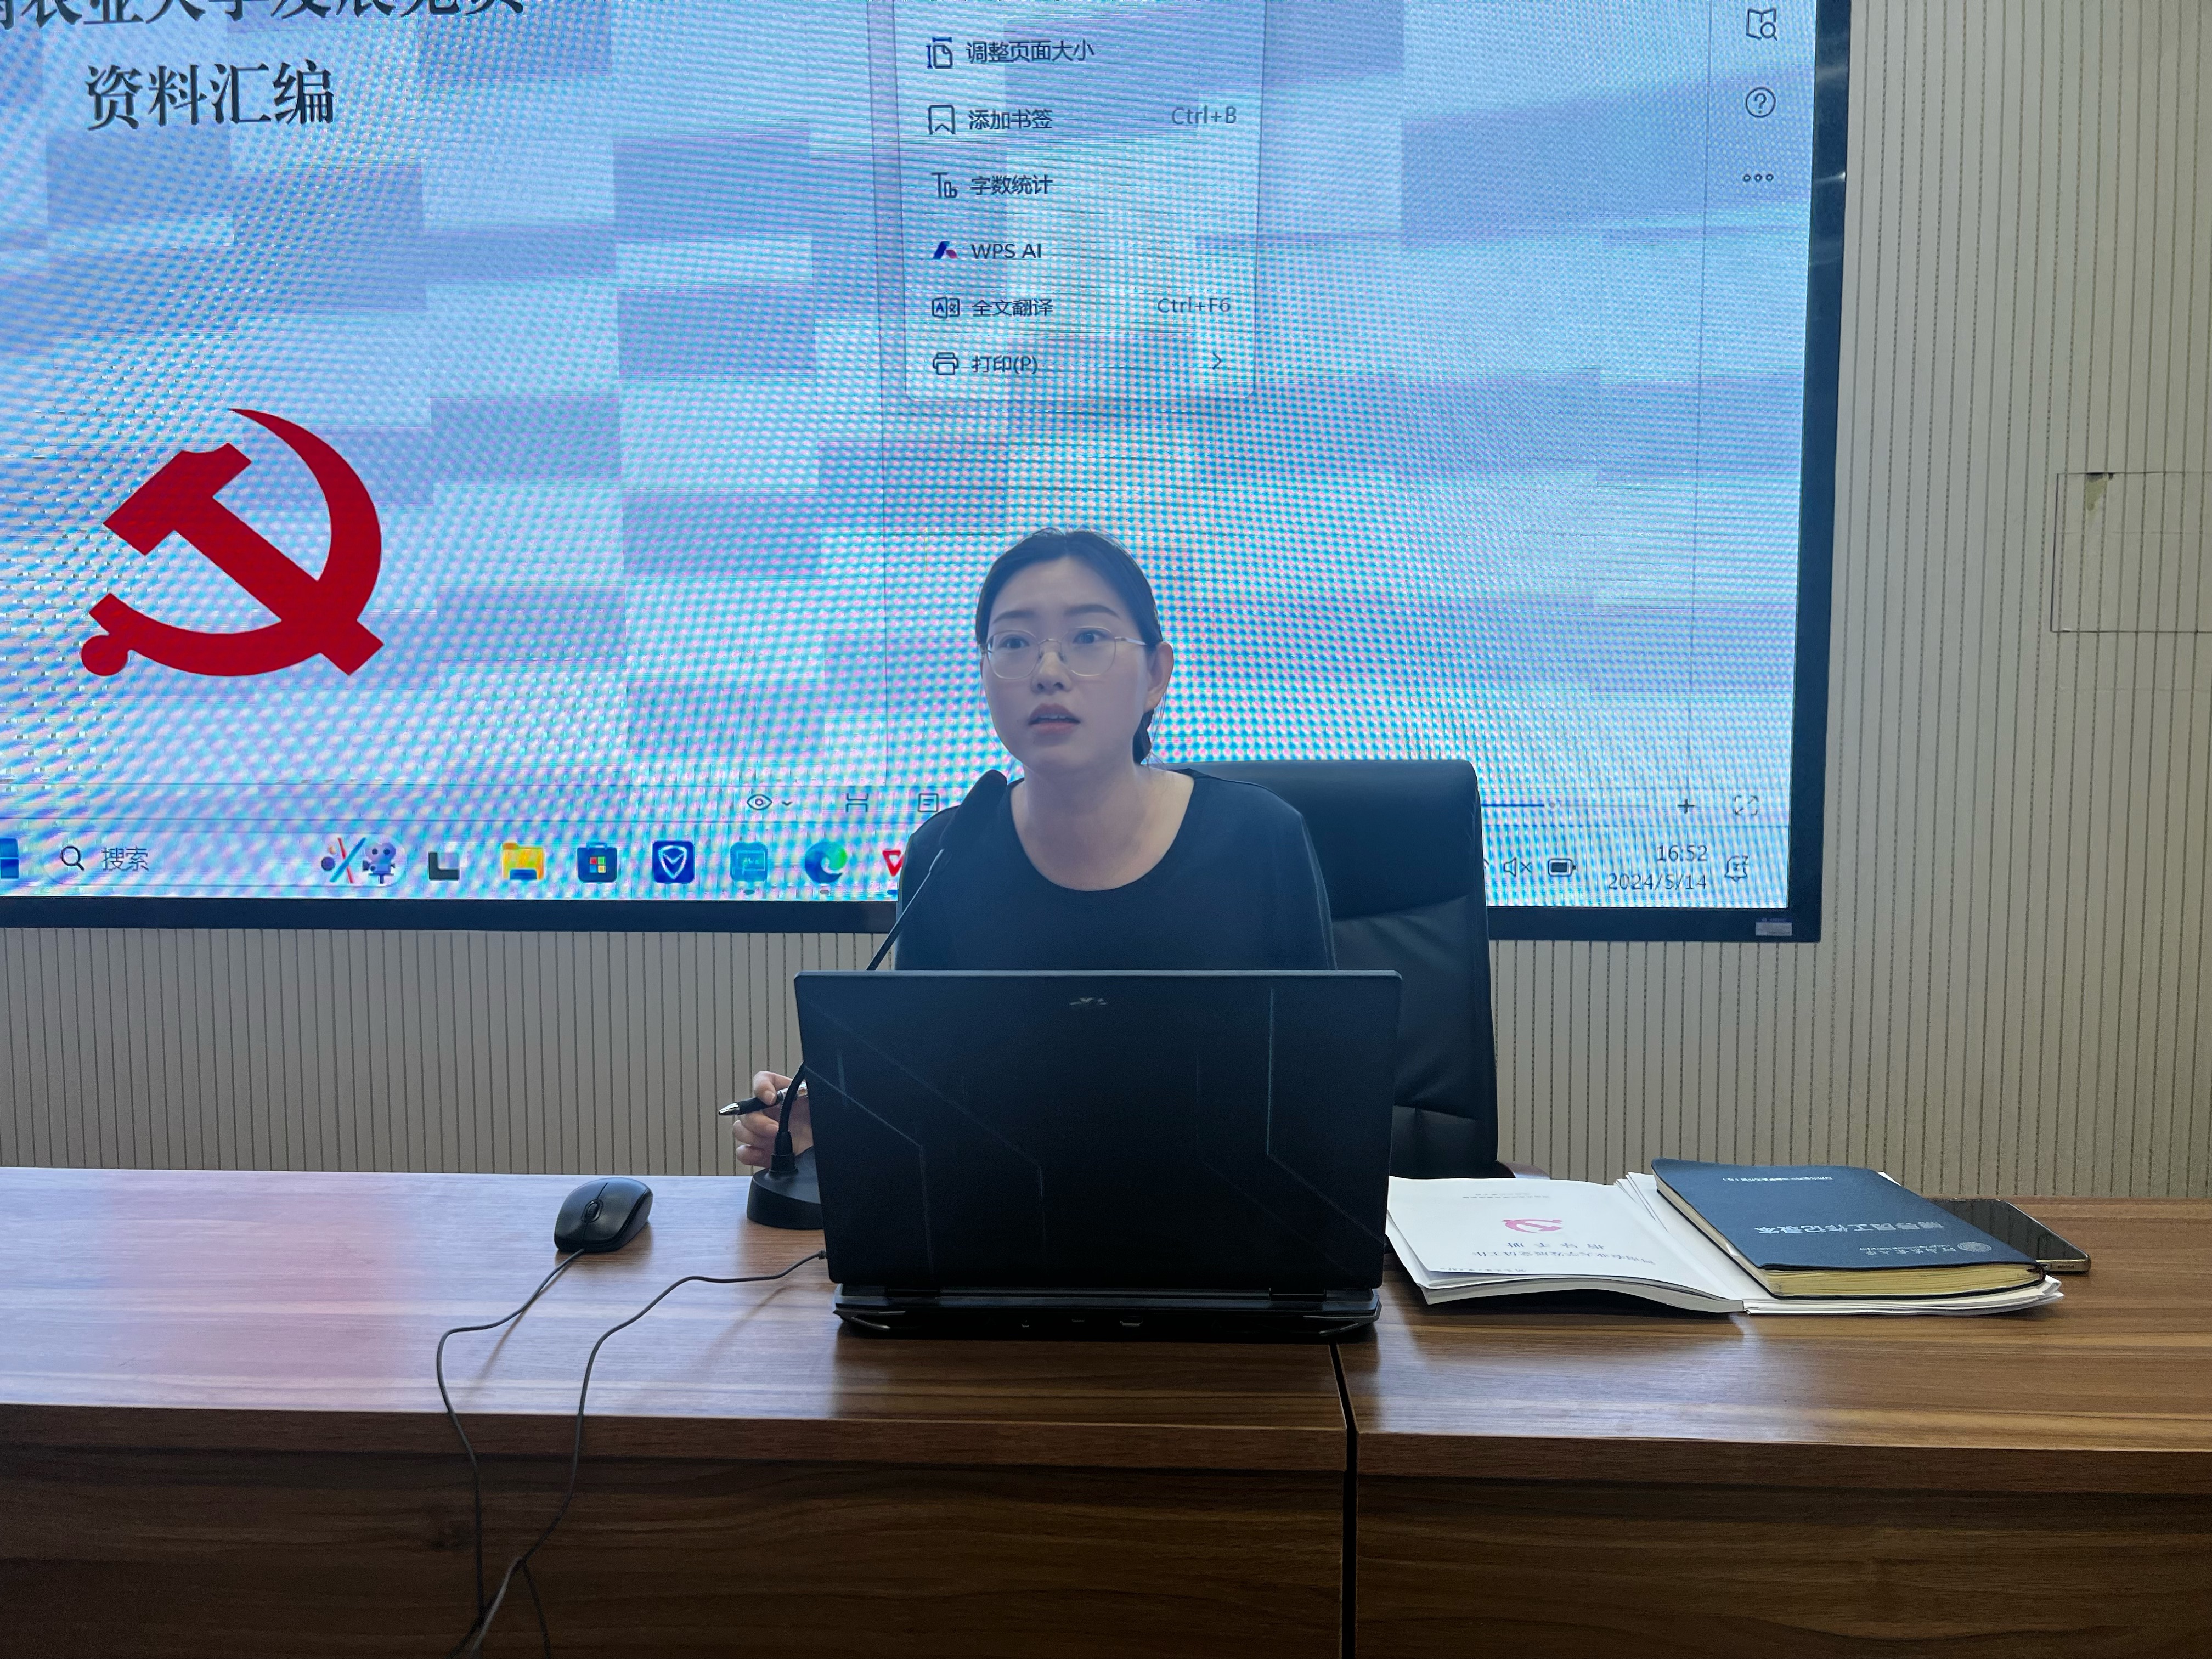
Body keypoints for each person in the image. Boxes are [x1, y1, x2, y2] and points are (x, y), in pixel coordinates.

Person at [731, 527, 1335, 1169]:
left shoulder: (1260, 838)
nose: (1048, 673)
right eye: (1015, 643)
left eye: (1089, 638)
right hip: (1001, 1220)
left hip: (1227, 1216)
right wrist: (840, 1129)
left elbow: (1321, 1088)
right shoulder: (945, 854)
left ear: (1156, 675)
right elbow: (930, 1106)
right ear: (985, 673)